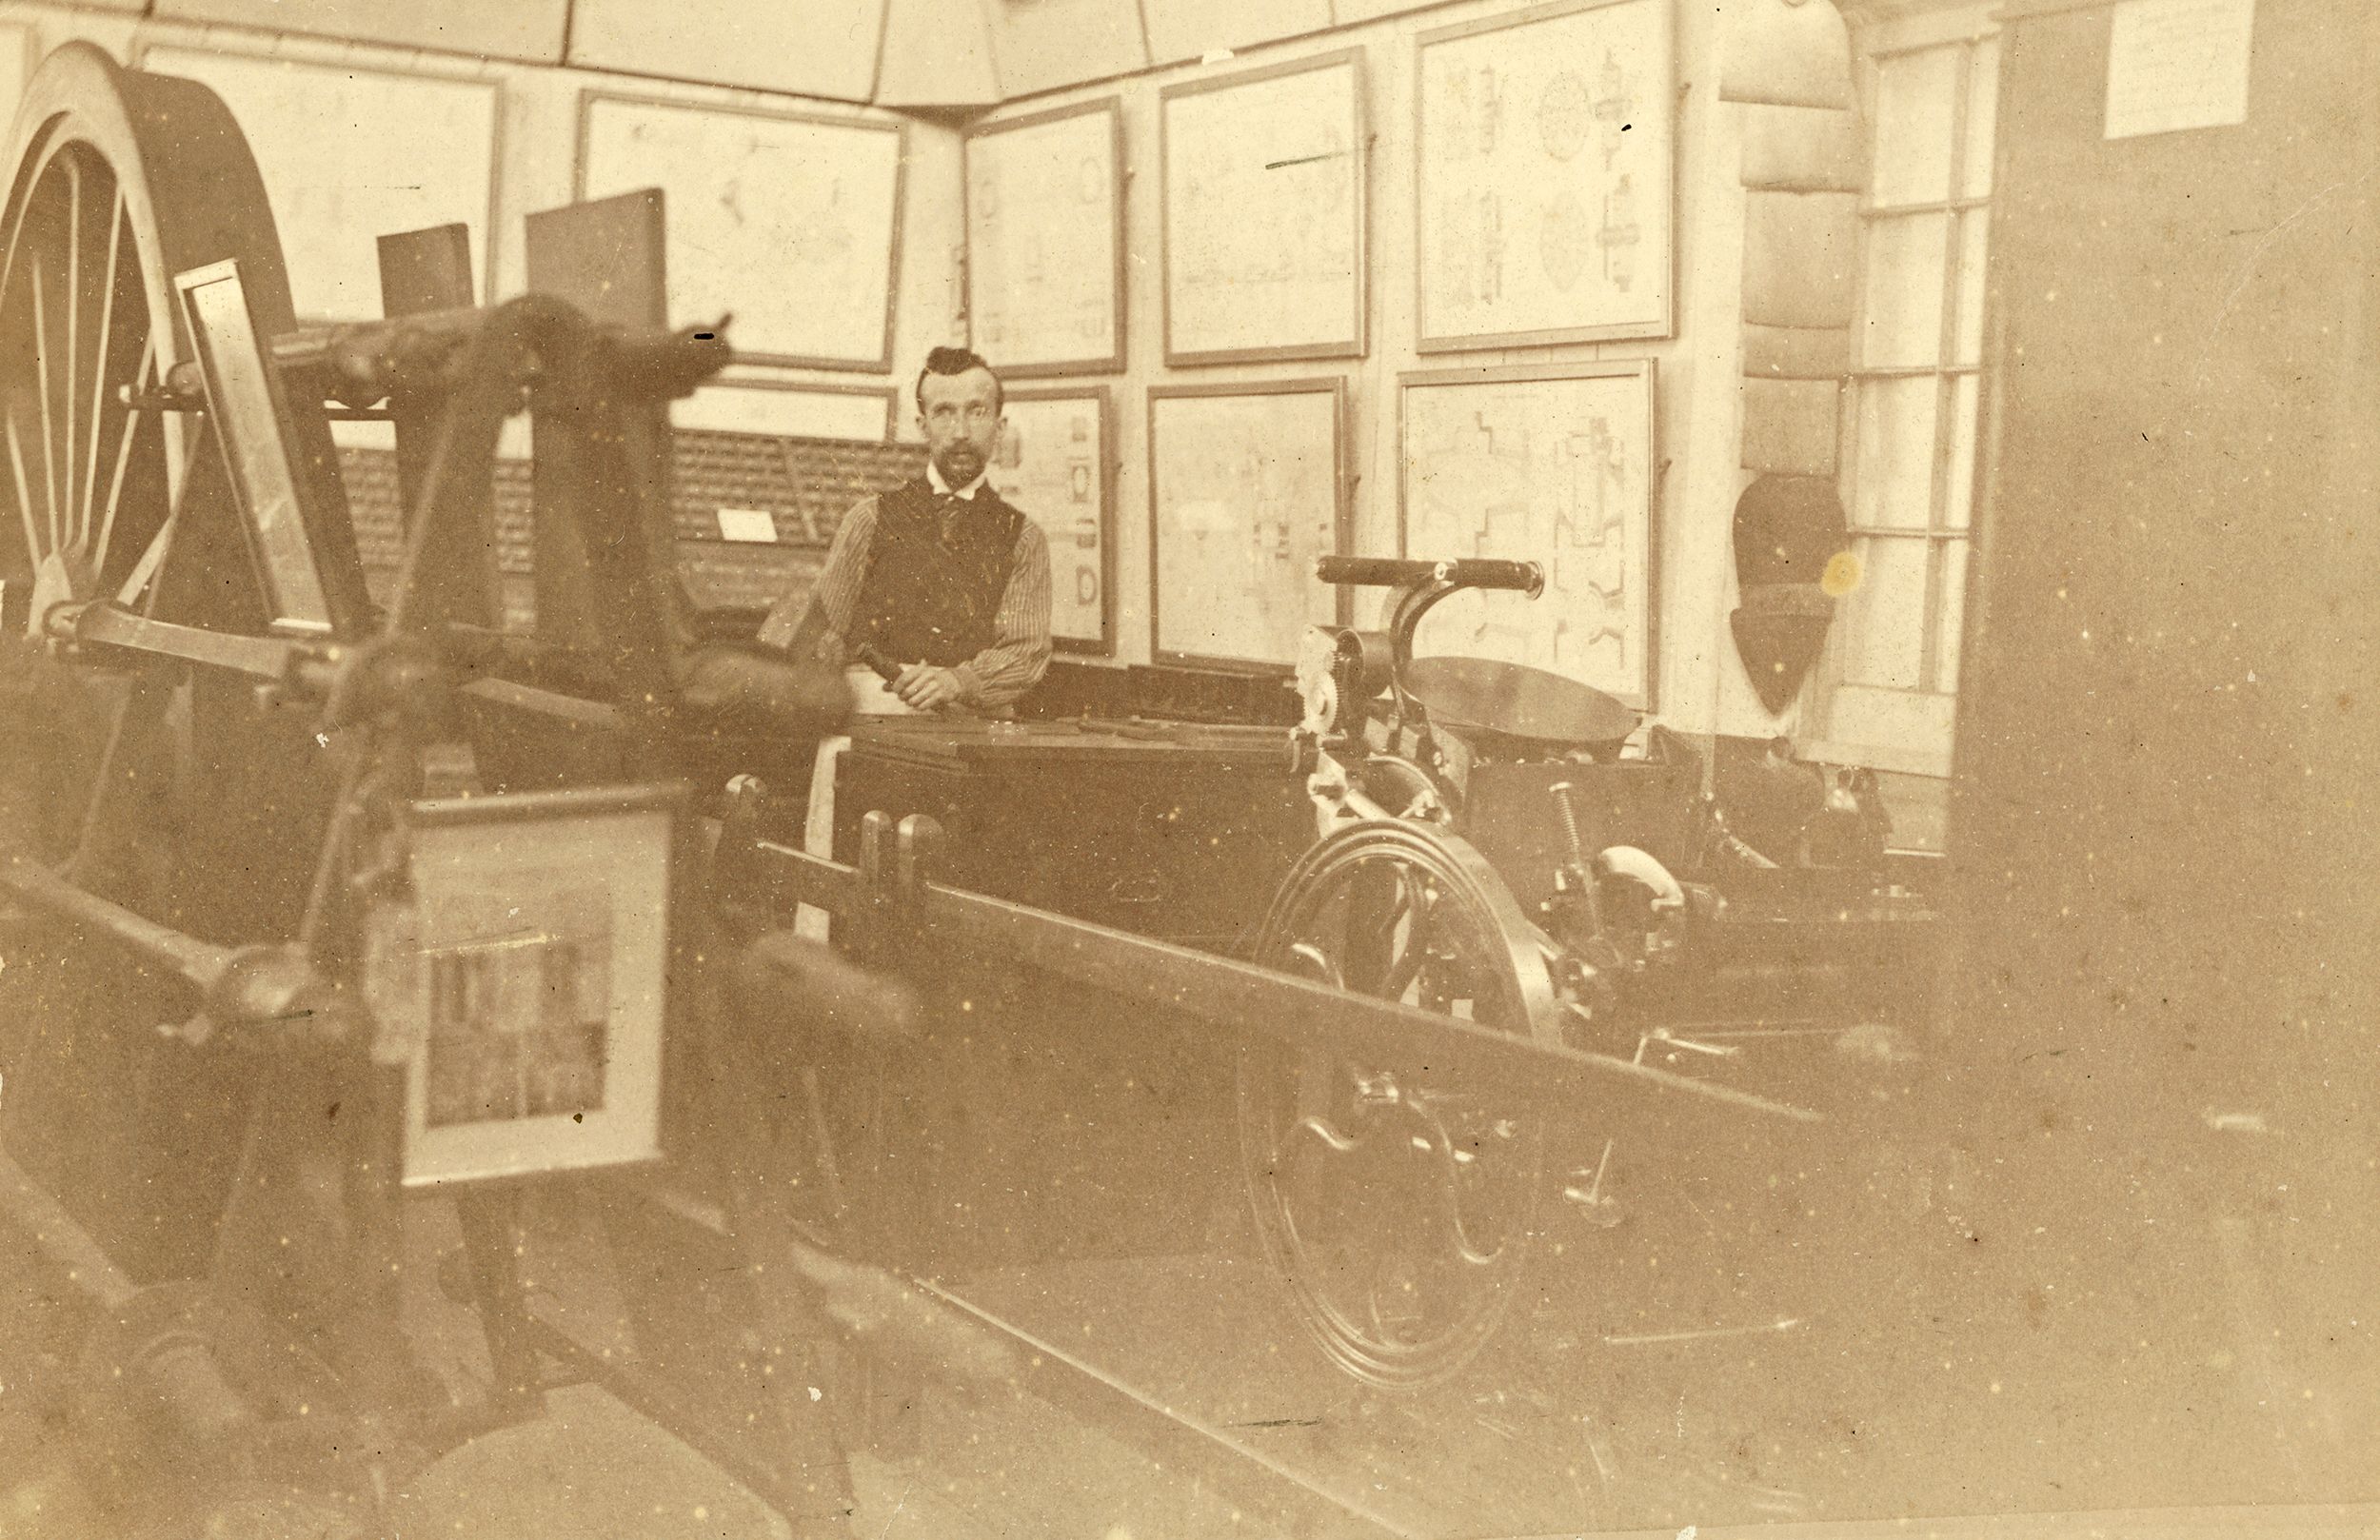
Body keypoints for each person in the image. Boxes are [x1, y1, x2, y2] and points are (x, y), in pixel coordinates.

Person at [760, 347, 1052, 712]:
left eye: (976, 412)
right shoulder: (870, 519)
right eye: (943, 413)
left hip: (974, 725)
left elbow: (1026, 654)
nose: (961, 432)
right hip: (875, 714)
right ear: (922, 426)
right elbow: (820, 631)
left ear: (999, 425)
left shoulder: (1024, 537)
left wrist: (958, 681)